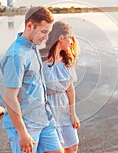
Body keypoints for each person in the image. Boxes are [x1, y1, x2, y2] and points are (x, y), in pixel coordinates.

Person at [0, 6, 64, 153]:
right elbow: (10, 97)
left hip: (43, 116)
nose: (46, 38)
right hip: (26, 123)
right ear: (29, 26)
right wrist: (22, 134)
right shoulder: (16, 56)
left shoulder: (32, 45)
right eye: (43, 32)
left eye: (47, 32)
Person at [40, 21, 80, 153]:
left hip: (64, 108)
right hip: (47, 109)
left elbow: (69, 89)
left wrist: (73, 114)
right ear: (61, 38)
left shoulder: (66, 60)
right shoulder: (40, 59)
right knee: (54, 149)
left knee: (72, 146)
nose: (71, 42)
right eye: (70, 37)